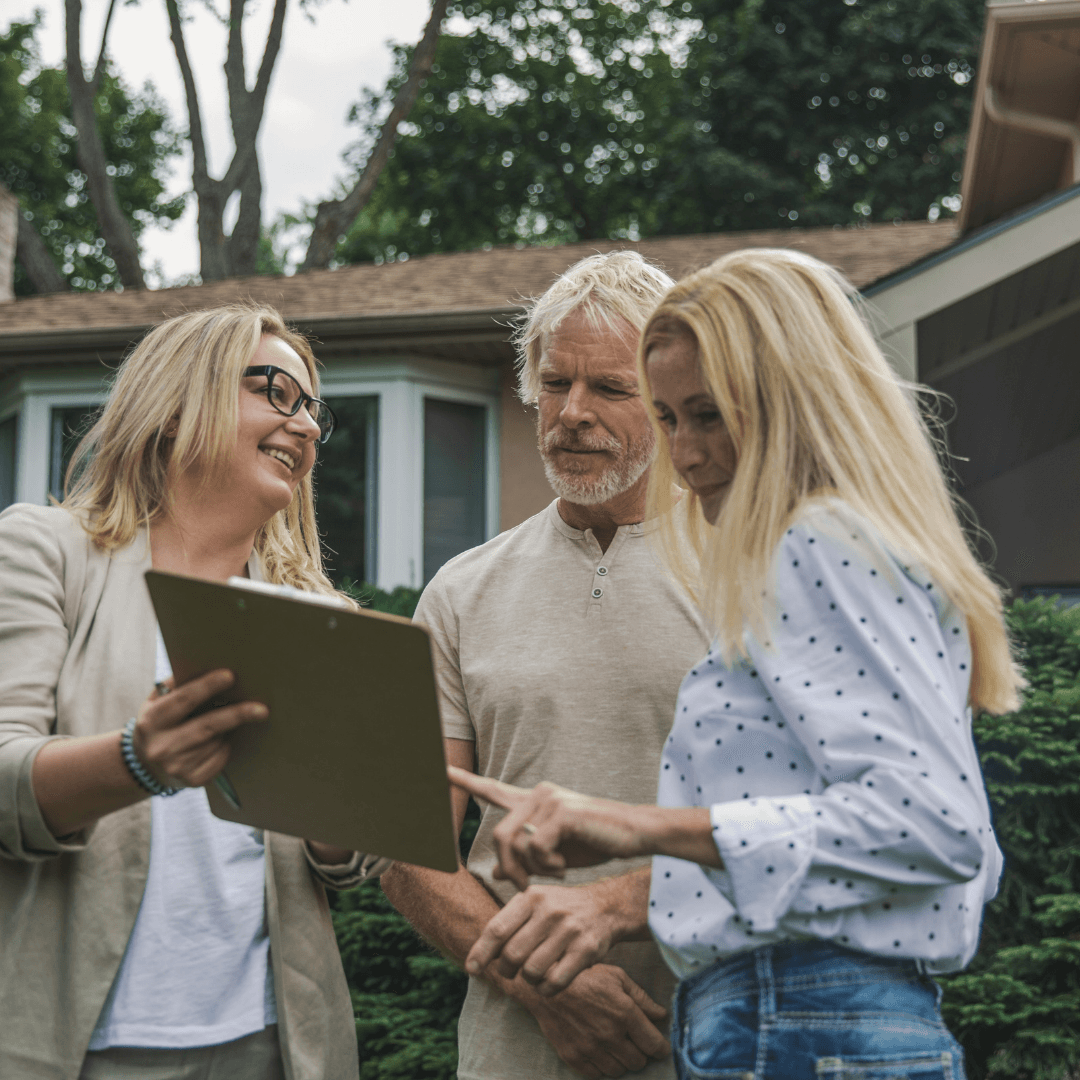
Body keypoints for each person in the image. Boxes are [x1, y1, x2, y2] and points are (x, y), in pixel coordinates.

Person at [450, 248, 1023, 1080]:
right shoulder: (841, 545)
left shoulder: (818, 544)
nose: (686, 452)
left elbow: (933, 826)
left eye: (708, 414)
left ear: (794, 398)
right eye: (672, 416)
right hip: (824, 1017)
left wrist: (630, 827)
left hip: (800, 1019)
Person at [0, 305, 389, 1080]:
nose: (306, 426)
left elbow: (347, 864)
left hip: (273, 1045)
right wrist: (136, 762)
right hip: (77, 1045)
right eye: (277, 391)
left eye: (313, 408)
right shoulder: (41, 551)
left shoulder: (316, 617)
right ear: (177, 406)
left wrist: (348, 812)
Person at [380, 251, 710, 1080]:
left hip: (715, 1030)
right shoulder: (461, 590)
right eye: (555, 383)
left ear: (667, 401)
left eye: (610, 389)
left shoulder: (750, 567)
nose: (572, 413)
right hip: (516, 1048)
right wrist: (548, 988)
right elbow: (407, 843)